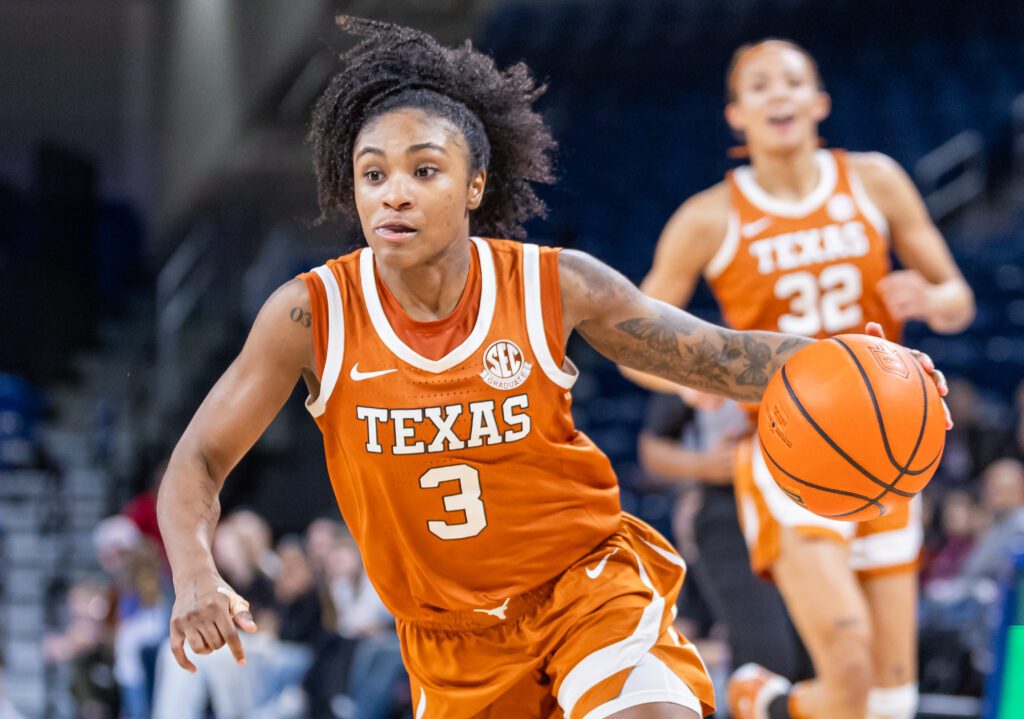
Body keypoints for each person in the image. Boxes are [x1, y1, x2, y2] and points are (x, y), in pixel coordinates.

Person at [156, 21, 946, 719]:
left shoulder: (555, 285)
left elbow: (720, 356)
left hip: (583, 586)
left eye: (423, 170)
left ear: (474, 185)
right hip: (448, 638)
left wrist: (872, 368)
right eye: (372, 174)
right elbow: (197, 460)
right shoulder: (311, 314)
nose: (393, 192)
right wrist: (194, 574)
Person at [625, 39, 973, 719]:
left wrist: (933, 301)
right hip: (790, 455)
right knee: (846, 674)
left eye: (792, 81)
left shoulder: (875, 180)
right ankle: (758, 694)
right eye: (759, 86)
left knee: (892, 698)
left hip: (892, 444)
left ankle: (765, 699)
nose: (778, 94)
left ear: (819, 102)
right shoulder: (708, 217)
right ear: (737, 115)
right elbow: (631, 343)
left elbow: (959, 297)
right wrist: (687, 378)